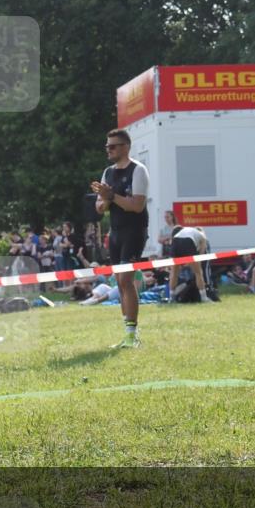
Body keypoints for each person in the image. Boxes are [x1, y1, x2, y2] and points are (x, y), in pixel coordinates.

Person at [91, 128, 150, 348]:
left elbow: (137, 206)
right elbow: (99, 207)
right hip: (115, 233)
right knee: (119, 282)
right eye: (107, 146)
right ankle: (128, 332)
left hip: (134, 231)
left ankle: (132, 334)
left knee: (126, 280)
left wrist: (112, 196)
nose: (108, 150)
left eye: (113, 146)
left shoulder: (138, 170)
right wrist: (107, 199)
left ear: (125, 147)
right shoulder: (107, 172)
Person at [169, 225, 213, 303]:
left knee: (174, 274)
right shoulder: (202, 236)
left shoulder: (185, 231)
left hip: (175, 241)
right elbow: (201, 253)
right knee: (198, 273)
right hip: (188, 241)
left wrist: (188, 263)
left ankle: (171, 298)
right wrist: (194, 263)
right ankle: (204, 298)